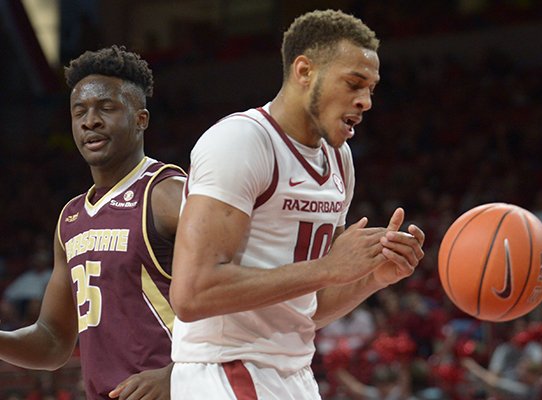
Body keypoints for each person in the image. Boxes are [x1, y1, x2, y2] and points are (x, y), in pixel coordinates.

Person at [170, 9, 425, 399]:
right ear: (304, 72)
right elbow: (192, 294)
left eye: (371, 88)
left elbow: (311, 306)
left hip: (293, 372)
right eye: (354, 83)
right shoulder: (240, 142)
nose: (366, 101)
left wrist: (372, 278)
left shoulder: (340, 160)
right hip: (226, 367)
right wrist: (327, 267)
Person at [0, 45, 186, 399]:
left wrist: (178, 374)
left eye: (106, 108)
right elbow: (54, 342)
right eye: (79, 111)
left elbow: (239, 292)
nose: (90, 121)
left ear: (140, 119)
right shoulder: (70, 218)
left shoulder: (167, 195)